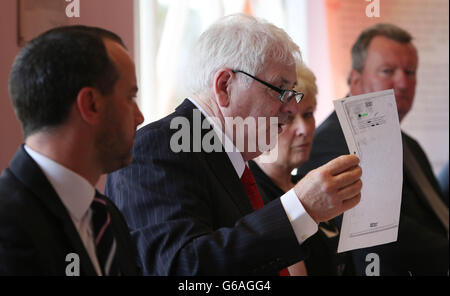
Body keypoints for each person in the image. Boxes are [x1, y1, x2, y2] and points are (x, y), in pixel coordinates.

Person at [105, 14, 362, 275]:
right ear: (225, 86)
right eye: (279, 89)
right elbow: (182, 268)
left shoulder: (227, 159)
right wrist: (300, 208)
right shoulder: (160, 147)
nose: (292, 107)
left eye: (292, 92)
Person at [297, 23, 449, 275]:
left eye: (410, 72)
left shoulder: (409, 144)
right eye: (388, 71)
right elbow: (374, 228)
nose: (402, 82)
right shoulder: (330, 142)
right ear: (355, 80)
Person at [0, 25, 144, 275]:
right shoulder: (7, 226)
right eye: (130, 97)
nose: (140, 117)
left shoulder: (107, 216)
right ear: (91, 104)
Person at [250, 63, 353, 275]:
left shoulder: (304, 183)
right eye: (288, 117)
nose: (304, 130)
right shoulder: (254, 195)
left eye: (308, 115)